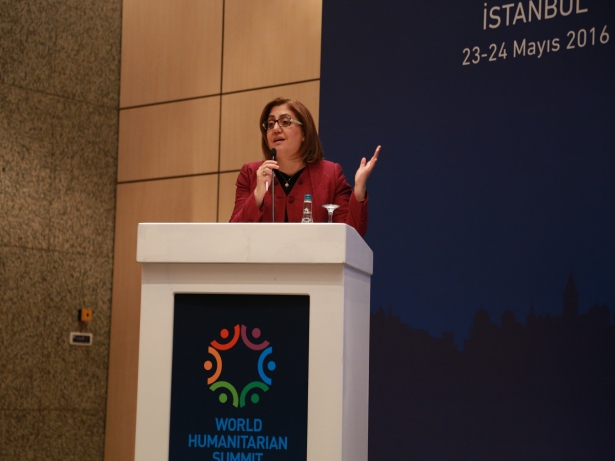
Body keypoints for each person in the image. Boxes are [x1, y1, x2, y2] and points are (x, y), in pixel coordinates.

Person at [230, 97, 380, 237]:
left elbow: (350, 236)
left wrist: (359, 189)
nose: (275, 129)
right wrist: (258, 194)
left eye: (285, 122)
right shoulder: (251, 173)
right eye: (270, 124)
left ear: (304, 133)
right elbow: (233, 234)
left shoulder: (330, 174)